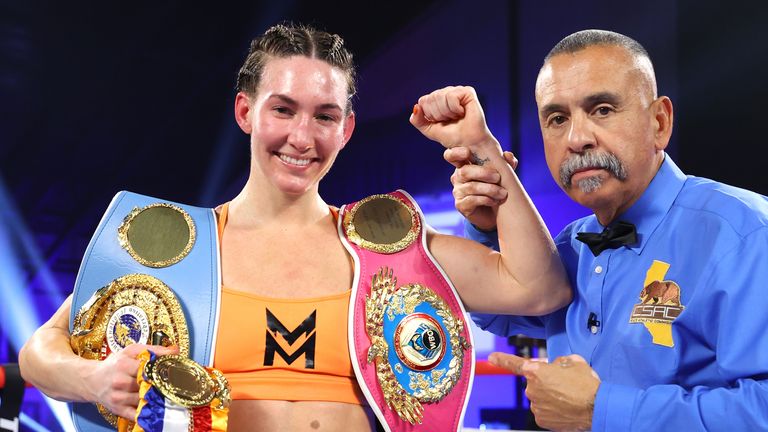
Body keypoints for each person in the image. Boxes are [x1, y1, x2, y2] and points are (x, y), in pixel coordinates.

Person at [18, 24, 572, 431]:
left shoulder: (389, 249)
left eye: (324, 115)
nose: (302, 137)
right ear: (245, 112)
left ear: (348, 128)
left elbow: (538, 287)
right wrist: (94, 381)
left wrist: (480, 147)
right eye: (283, 110)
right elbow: (40, 349)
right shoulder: (181, 247)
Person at [433, 29, 768, 431]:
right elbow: (501, 313)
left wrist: (600, 410)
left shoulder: (744, 233)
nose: (577, 138)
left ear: (659, 122)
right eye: (557, 119)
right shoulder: (572, 246)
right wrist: (489, 224)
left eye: (603, 109)